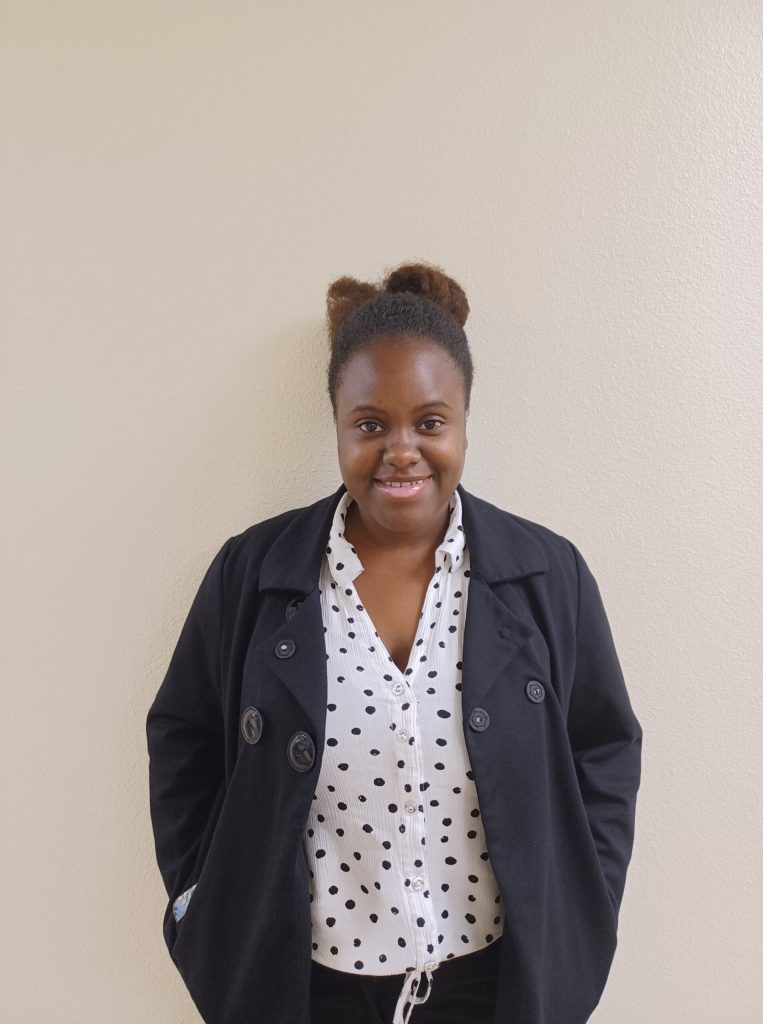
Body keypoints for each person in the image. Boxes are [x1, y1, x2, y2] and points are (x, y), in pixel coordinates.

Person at [146, 262, 642, 1024]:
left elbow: (605, 747)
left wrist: (585, 901)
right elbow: (182, 741)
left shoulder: (548, 575)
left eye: (431, 422)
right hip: (304, 989)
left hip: (496, 985)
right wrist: (198, 899)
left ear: (466, 423)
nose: (401, 449)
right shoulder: (254, 575)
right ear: (338, 427)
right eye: (371, 423)